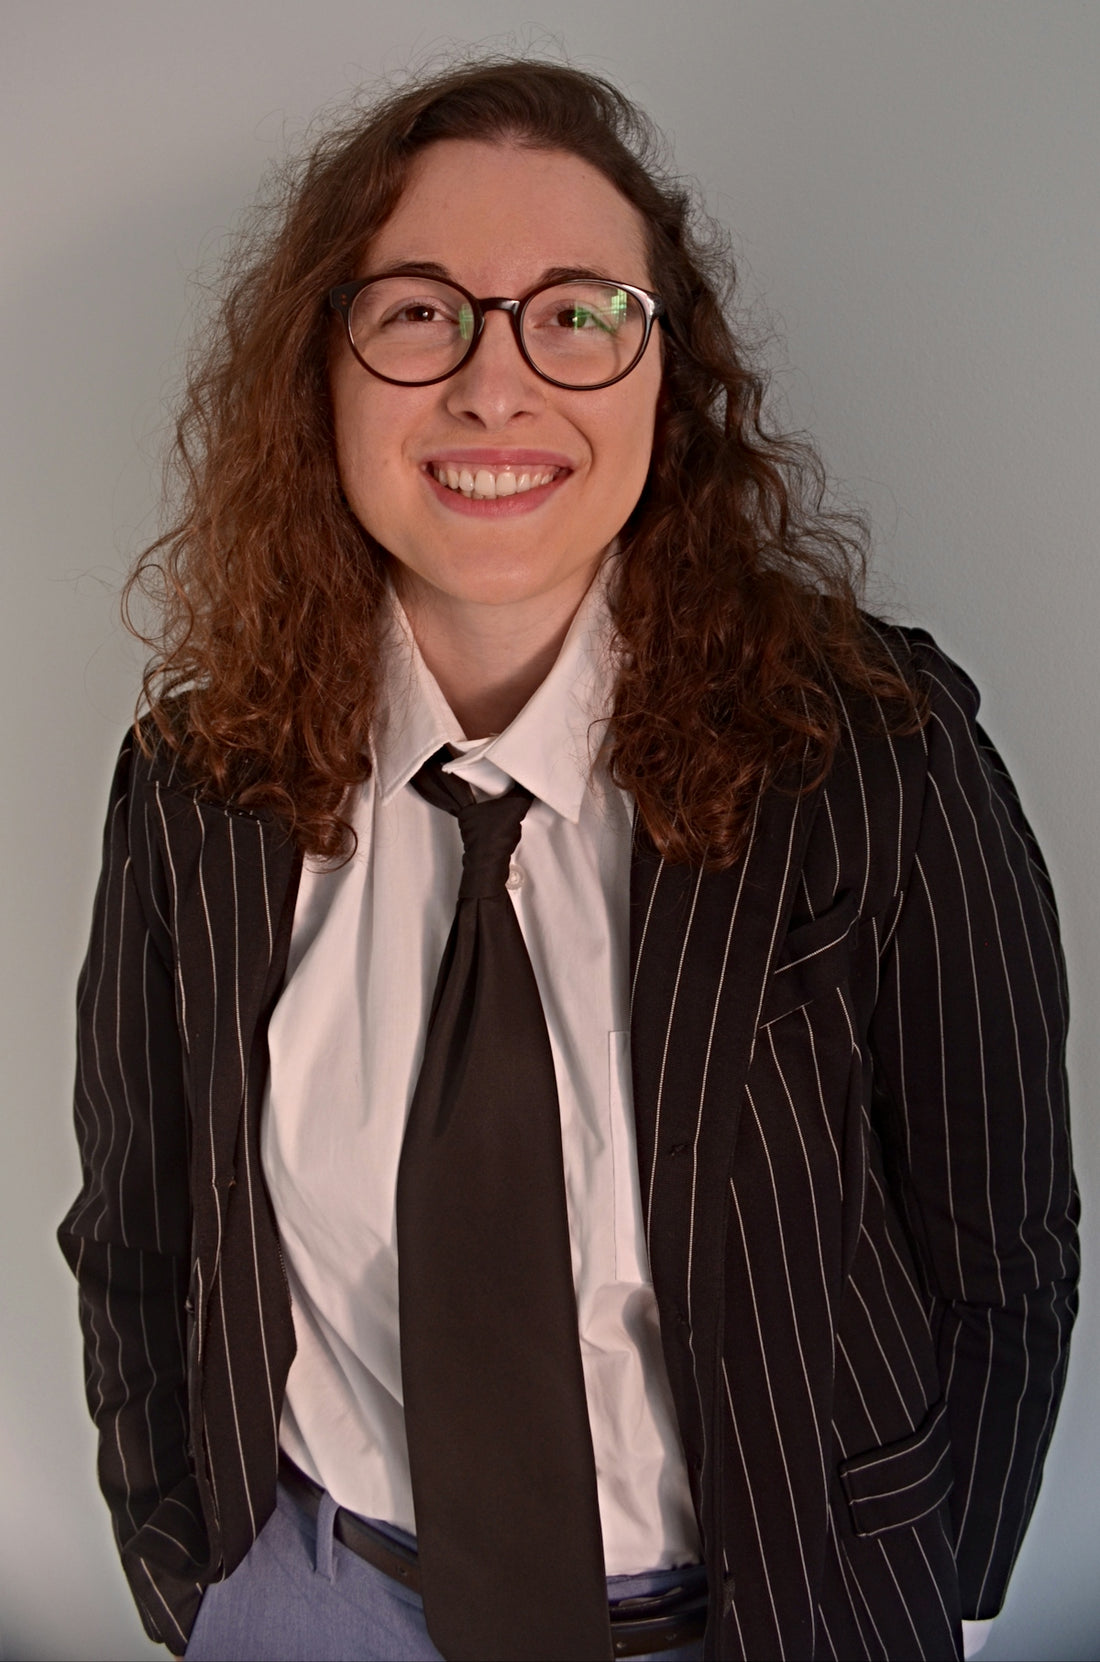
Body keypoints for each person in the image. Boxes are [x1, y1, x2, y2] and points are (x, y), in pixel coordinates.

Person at [58, 57, 1077, 1662]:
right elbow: (137, 1224)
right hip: (319, 1605)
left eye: (577, 313)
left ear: (668, 375)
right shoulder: (195, 785)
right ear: (320, 365)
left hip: (782, 1620)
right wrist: (195, 1576)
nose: (493, 386)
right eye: (418, 312)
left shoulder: (878, 755)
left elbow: (1000, 1243)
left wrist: (913, 1580)